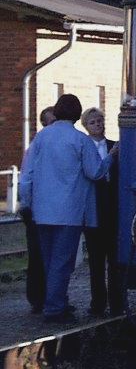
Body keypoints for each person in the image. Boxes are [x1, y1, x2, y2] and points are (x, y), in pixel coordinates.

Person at [19, 94, 116, 324]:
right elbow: (95, 172)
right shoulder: (80, 140)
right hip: (69, 211)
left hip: (42, 210)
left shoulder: (41, 137)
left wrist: (27, 202)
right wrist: (111, 157)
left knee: (49, 259)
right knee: (62, 262)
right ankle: (54, 308)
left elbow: (27, 174)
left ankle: (56, 302)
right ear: (76, 113)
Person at [81, 107, 124, 317]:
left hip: (112, 206)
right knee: (96, 261)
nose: (98, 125)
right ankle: (98, 302)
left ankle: (117, 302)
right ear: (86, 126)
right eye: (93, 122)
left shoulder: (114, 146)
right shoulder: (84, 147)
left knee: (115, 260)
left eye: (100, 121)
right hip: (93, 207)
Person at [18, 106, 57, 313]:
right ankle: (37, 297)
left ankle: (47, 296)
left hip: (49, 206)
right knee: (38, 254)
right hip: (36, 207)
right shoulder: (38, 146)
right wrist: (26, 205)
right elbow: (27, 177)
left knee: (50, 255)